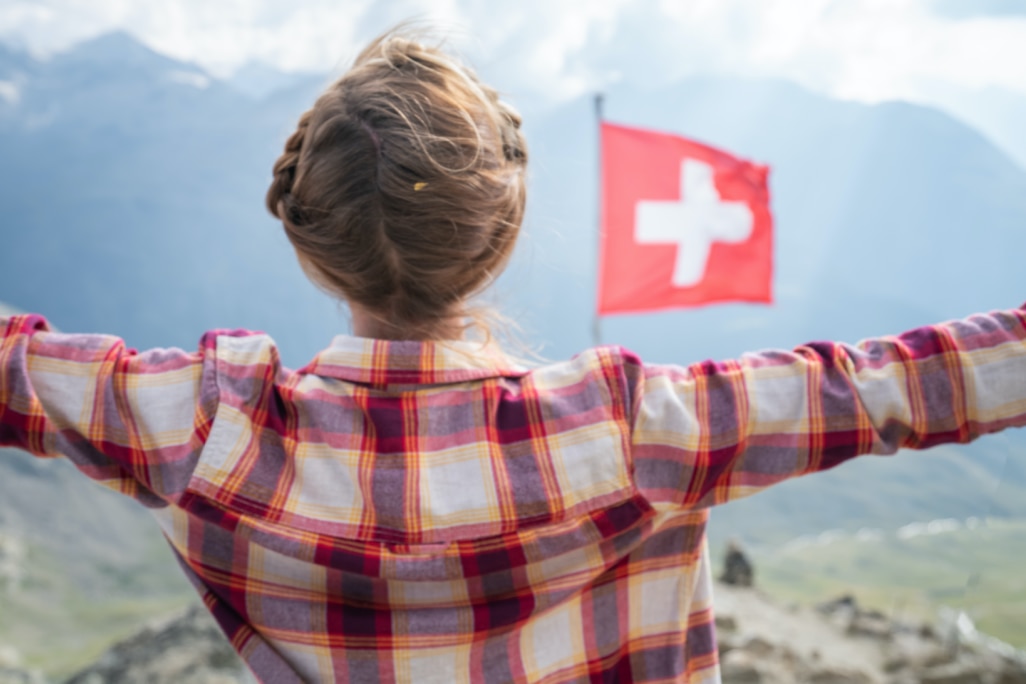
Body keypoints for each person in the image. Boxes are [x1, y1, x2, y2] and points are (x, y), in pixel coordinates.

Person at [1, 28, 1025, 684]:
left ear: (307, 236)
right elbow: (899, 386)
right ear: (502, 233)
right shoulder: (635, 435)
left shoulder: (203, 429)